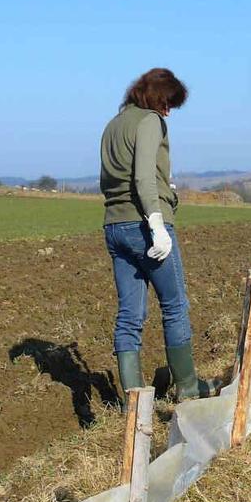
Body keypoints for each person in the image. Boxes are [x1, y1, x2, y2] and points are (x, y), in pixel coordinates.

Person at [100, 68, 204, 403]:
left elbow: (109, 180)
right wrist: (157, 225)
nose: (169, 111)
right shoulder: (149, 121)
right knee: (175, 305)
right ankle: (187, 389)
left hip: (114, 226)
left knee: (129, 315)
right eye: (167, 103)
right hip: (144, 225)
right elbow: (143, 176)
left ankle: (134, 401)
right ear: (156, 98)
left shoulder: (113, 125)